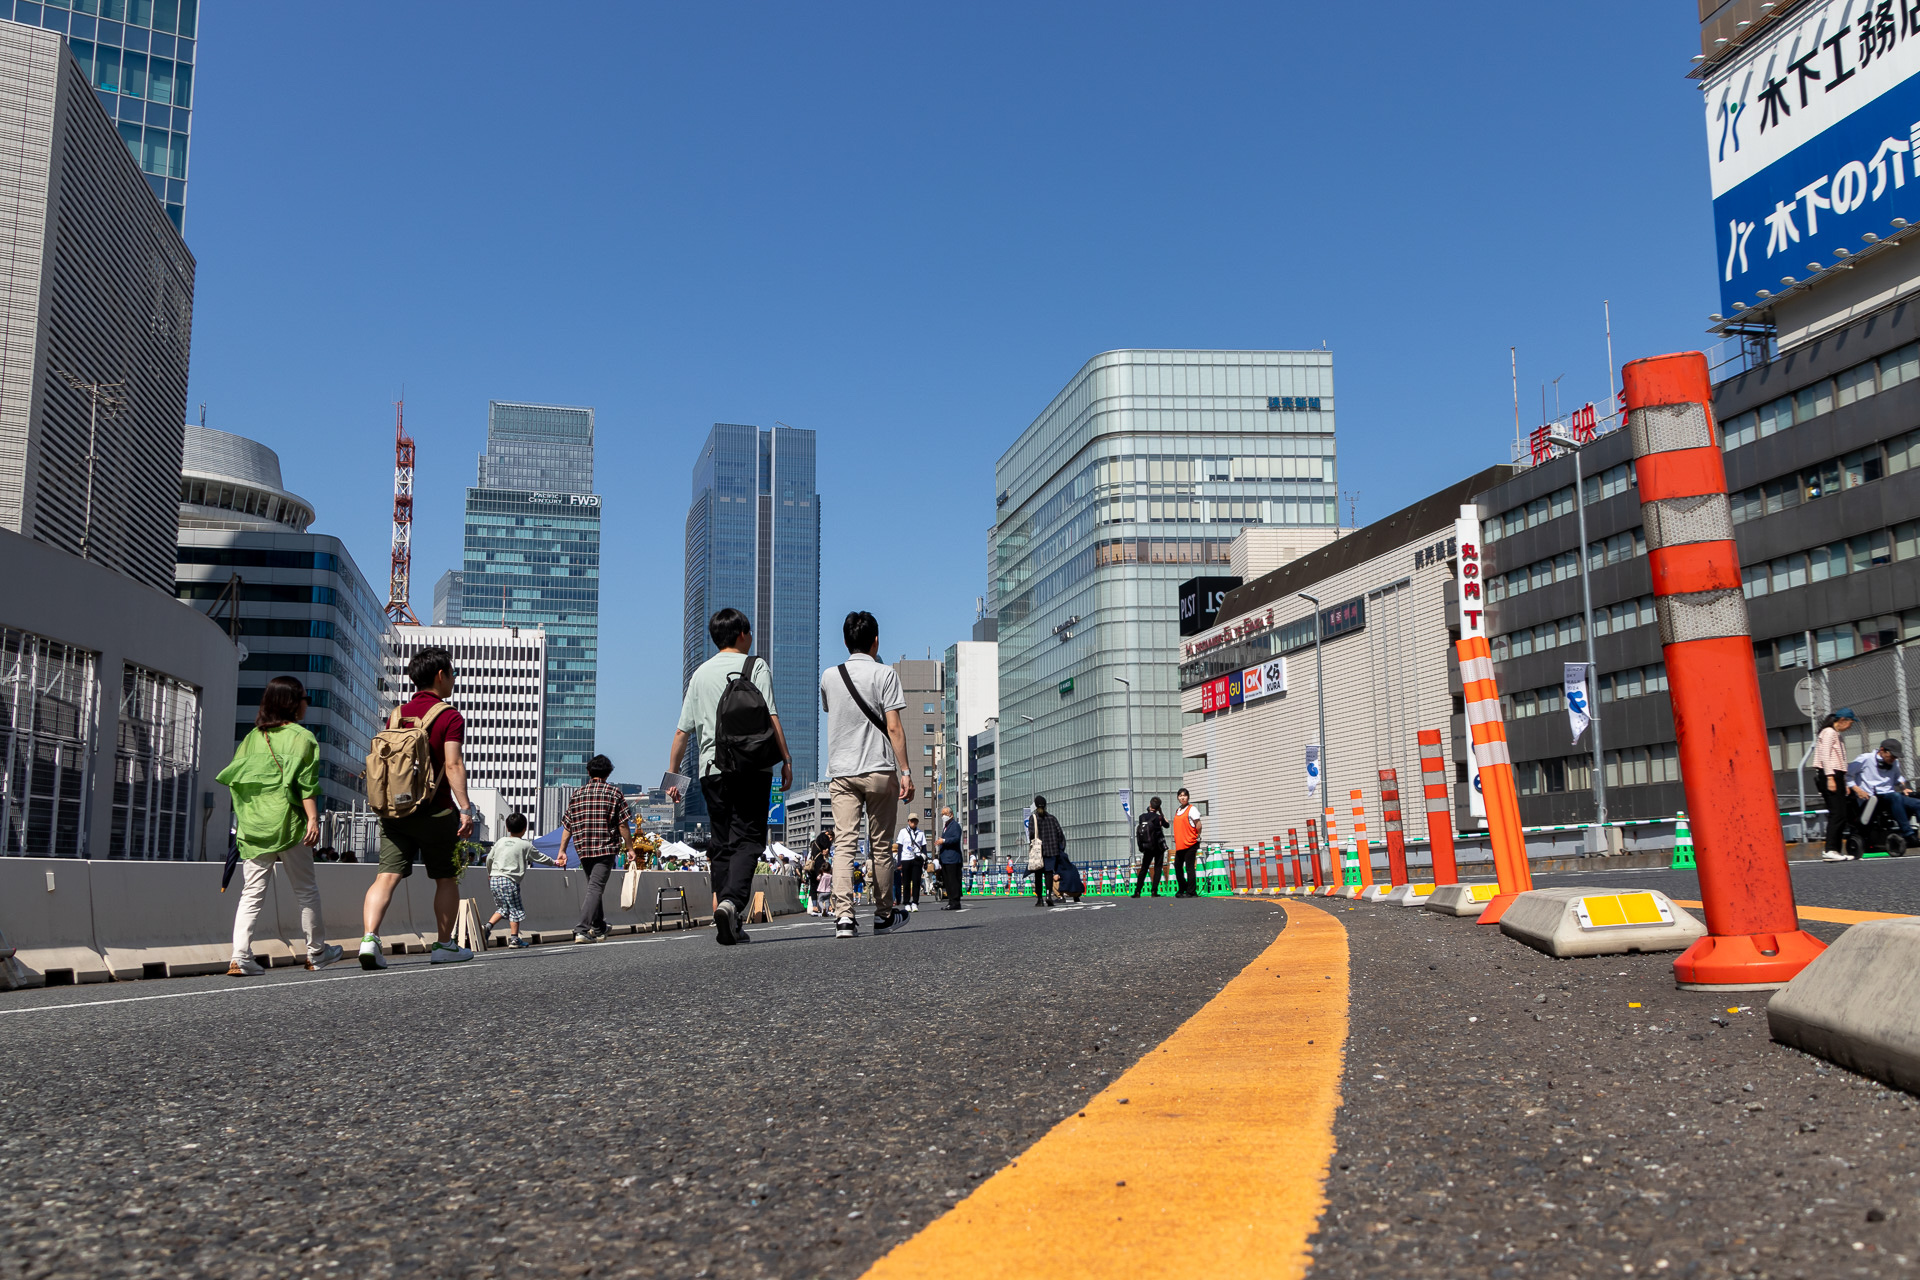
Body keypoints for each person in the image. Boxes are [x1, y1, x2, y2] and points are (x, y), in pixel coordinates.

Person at [667, 607, 795, 947]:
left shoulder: (700, 674)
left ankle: (727, 913)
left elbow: (682, 733)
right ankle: (732, 903)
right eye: (749, 632)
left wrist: (673, 779)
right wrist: (786, 759)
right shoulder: (755, 666)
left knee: (721, 843)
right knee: (749, 838)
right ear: (741, 634)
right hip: (753, 768)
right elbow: (772, 715)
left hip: (712, 771)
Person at [217, 676, 342, 976]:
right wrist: (313, 818)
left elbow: (237, 782)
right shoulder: (302, 737)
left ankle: (240, 956)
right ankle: (317, 952)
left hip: (255, 826)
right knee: (306, 892)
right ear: (292, 702)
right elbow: (305, 784)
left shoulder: (251, 739)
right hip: (289, 825)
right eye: (304, 699)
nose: (306, 705)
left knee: (251, 893)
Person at [361, 647, 475, 969]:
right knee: (446, 878)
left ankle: (370, 939)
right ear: (441, 675)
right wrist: (465, 809)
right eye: (451, 674)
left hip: (395, 812)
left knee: (386, 876)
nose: (453, 681)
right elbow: (452, 764)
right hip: (436, 812)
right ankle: (443, 945)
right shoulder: (449, 716)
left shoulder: (396, 715)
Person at [820, 611, 914, 939]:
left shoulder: (829, 676)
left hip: (842, 772)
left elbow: (833, 712)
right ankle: (884, 914)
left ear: (846, 641)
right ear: (876, 641)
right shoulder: (885, 675)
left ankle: (844, 916)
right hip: (879, 769)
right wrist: (906, 771)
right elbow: (894, 727)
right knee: (880, 845)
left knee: (845, 843)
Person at [557, 755, 635, 944]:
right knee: (595, 888)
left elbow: (568, 826)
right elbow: (623, 825)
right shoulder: (614, 793)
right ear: (608, 773)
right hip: (605, 848)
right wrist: (630, 848)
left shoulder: (578, 794)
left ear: (588, 772)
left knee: (594, 887)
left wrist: (562, 850)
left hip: (583, 848)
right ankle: (581, 929)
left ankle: (599, 927)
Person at [485, 812, 556, 947]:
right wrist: (555, 862)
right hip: (510, 880)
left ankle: (487, 927)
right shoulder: (525, 845)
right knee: (515, 910)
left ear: (507, 828)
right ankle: (514, 939)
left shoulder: (500, 842)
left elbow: (489, 859)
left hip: (494, 878)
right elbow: (540, 858)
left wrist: (490, 873)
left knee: (503, 908)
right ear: (524, 829)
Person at [1848, 739, 1918, 843]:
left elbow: (1898, 778)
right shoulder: (1866, 759)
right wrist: (1857, 789)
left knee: (1917, 803)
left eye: (1896, 757)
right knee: (1896, 796)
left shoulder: (1894, 762)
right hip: (1872, 799)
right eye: (1892, 756)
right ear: (1882, 750)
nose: (1894, 759)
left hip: (1891, 797)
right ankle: (1908, 834)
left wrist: (1904, 787)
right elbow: (1847, 775)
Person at [1816, 709, 1858, 861]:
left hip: (1836, 775)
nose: (1850, 727)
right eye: (1850, 723)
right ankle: (1830, 850)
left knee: (1842, 814)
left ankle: (1835, 850)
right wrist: (1830, 778)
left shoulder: (1835, 734)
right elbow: (1825, 756)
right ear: (1842, 720)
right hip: (1830, 774)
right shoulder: (1828, 732)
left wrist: (1843, 782)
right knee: (1837, 813)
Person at [1025, 795, 1064, 907]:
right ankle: (1048, 895)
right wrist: (1059, 848)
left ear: (1036, 805)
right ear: (1046, 805)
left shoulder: (1034, 818)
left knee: (1038, 875)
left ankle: (1040, 899)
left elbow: (1031, 833)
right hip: (1052, 851)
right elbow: (1060, 834)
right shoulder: (1052, 818)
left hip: (1039, 851)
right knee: (1049, 873)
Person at [1134, 796, 1170, 898]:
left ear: (1150, 804)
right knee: (1158, 868)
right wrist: (1161, 813)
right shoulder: (1159, 817)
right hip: (1158, 847)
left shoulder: (1142, 817)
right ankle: (1154, 891)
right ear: (1158, 807)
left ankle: (1137, 891)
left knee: (1144, 868)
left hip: (1147, 846)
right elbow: (1167, 825)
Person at [1171, 787, 1203, 898]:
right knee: (1177, 866)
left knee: (1189, 868)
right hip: (1180, 845)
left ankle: (1191, 891)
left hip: (1190, 843)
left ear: (1188, 797)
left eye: (1184, 795)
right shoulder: (1178, 810)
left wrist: (1198, 836)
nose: (1182, 797)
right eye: (1180, 795)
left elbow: (1198, 824)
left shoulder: (1192, 809)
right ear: (1178, 798)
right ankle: (1182, 888)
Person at [895, 815, 929, 912]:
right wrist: (899, 862)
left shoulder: (921, 833)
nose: (914, 823)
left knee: (916, 882)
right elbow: (900, 848)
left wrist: (925, 861)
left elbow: (924, 848)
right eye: (912, 821)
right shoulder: (903, 832)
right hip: (906, 859)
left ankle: (915, 902)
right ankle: (906, 902)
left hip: (917, 859)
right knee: (906, 882)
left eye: (915, 821)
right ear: (908, 821)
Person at [937, 806, 965, 910]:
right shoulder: (946, 826)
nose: (943, 816)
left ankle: (955, 902)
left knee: (953, 881)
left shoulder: (955, 825)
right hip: (945, 859)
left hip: (953, 858)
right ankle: (951, 901)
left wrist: (943, 841)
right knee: (947, 881)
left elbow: (956, 839)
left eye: (945, 814)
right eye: (942, 814)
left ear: (951, 815)